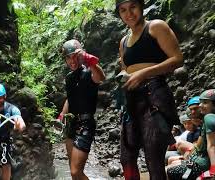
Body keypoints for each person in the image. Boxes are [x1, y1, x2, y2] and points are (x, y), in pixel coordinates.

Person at [115, 0, 183, 179]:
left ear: (141, 6)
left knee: (153, 158)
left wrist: (144, 73)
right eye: (123, 10)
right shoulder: (123, 42)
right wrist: (124, 75)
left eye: (133, 7)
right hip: (131, 99)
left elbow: (177, 59)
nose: (128, 13)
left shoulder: (156, 27)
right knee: (126, 157)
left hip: (155, 96)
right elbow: (125, 67)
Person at [57, 39, 105, 180]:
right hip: (71, 123)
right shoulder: (69, 77)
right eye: (68, 57)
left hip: (86, 124)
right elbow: (70, 99)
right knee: (74, 174)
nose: (72, 61)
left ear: (80, 55)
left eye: (75, 56)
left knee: (75, 171)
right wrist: (61, 116)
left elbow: (100, 77)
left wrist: (88, 59)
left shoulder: (90, 71)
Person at [166, 89, 215, 179]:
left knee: (168, 170)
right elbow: (200, 146)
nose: (201, 106)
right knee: (171, 164)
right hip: (198, 161)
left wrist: (213, 170)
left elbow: (211, 146)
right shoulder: (207, 120)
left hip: (201, 164)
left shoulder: (208, 118)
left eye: (205, 102)